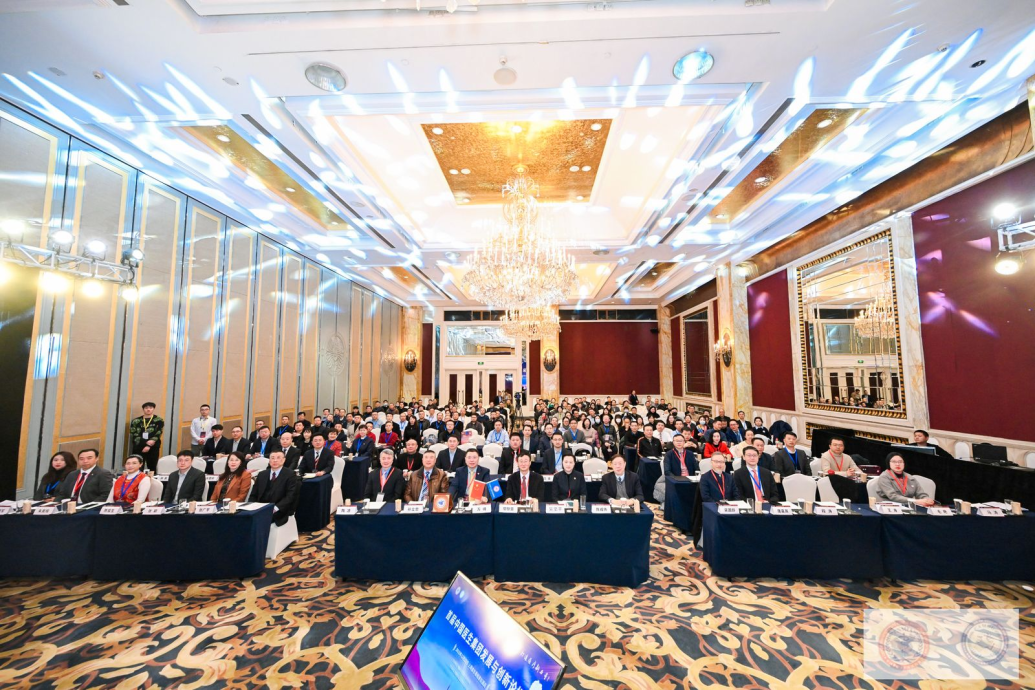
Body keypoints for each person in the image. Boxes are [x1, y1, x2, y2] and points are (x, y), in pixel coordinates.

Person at [251, 450, 301, 526]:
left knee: (261, 519)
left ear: (284, 460)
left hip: (279, 509)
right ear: (269, 460)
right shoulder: (262, 474)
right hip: (261, 507)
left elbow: (290, 496)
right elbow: (254, 494)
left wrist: (275, 509)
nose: (275, 460)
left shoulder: (290, 474)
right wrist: (252, 506)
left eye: (278, 458)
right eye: (272, 458)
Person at [129, 402, 164, 472]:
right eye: (146, 408)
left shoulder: (159, 420)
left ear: (153, 409)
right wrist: (145, 444)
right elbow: (134, 433)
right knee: (137, 466)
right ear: (143, 409)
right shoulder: (136, 421)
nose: (148, 409)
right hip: (139, 446)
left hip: (153, 446)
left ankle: (151, 478)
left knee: (152, 466)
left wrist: (149, 445)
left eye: (150, 408)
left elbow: (159, 432)